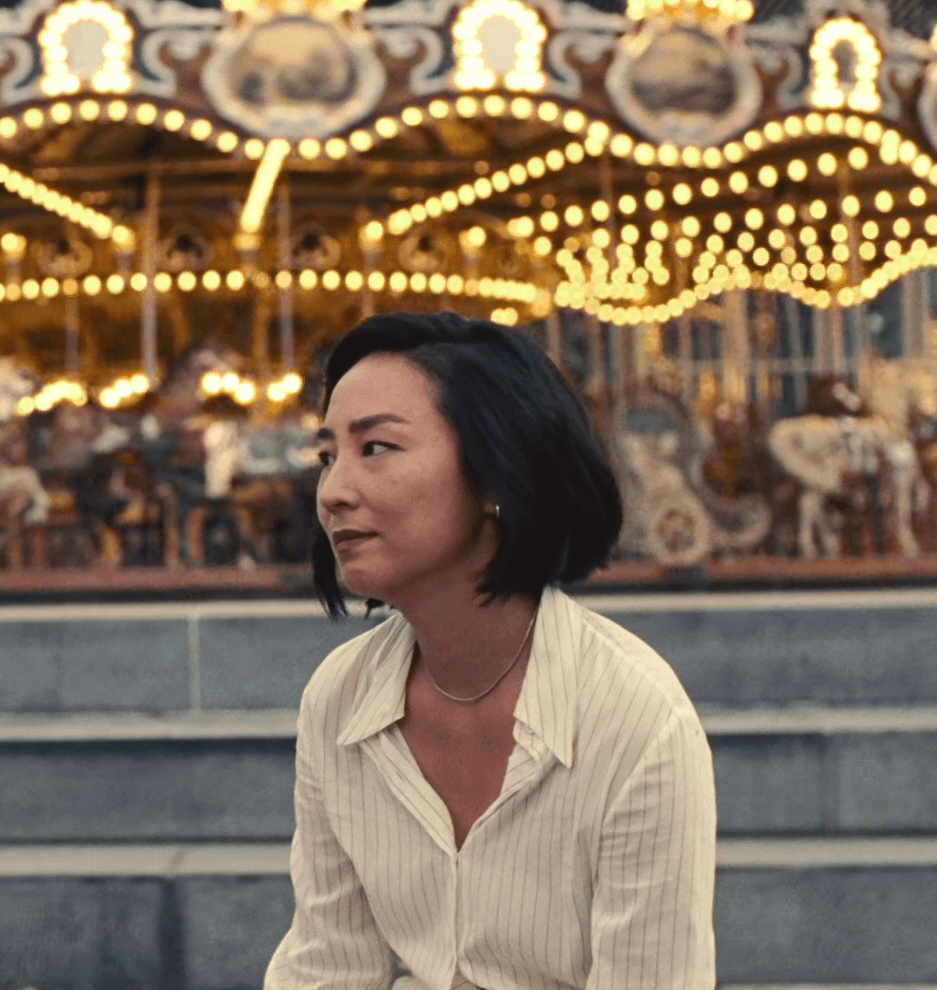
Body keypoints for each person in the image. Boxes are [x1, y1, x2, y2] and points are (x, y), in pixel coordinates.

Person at [264, 312, 715, 990]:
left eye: (376, 448)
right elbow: (327, 968)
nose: (333, 492)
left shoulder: (636, 720)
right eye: (327, 456)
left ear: (497, 474)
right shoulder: (340, 698)